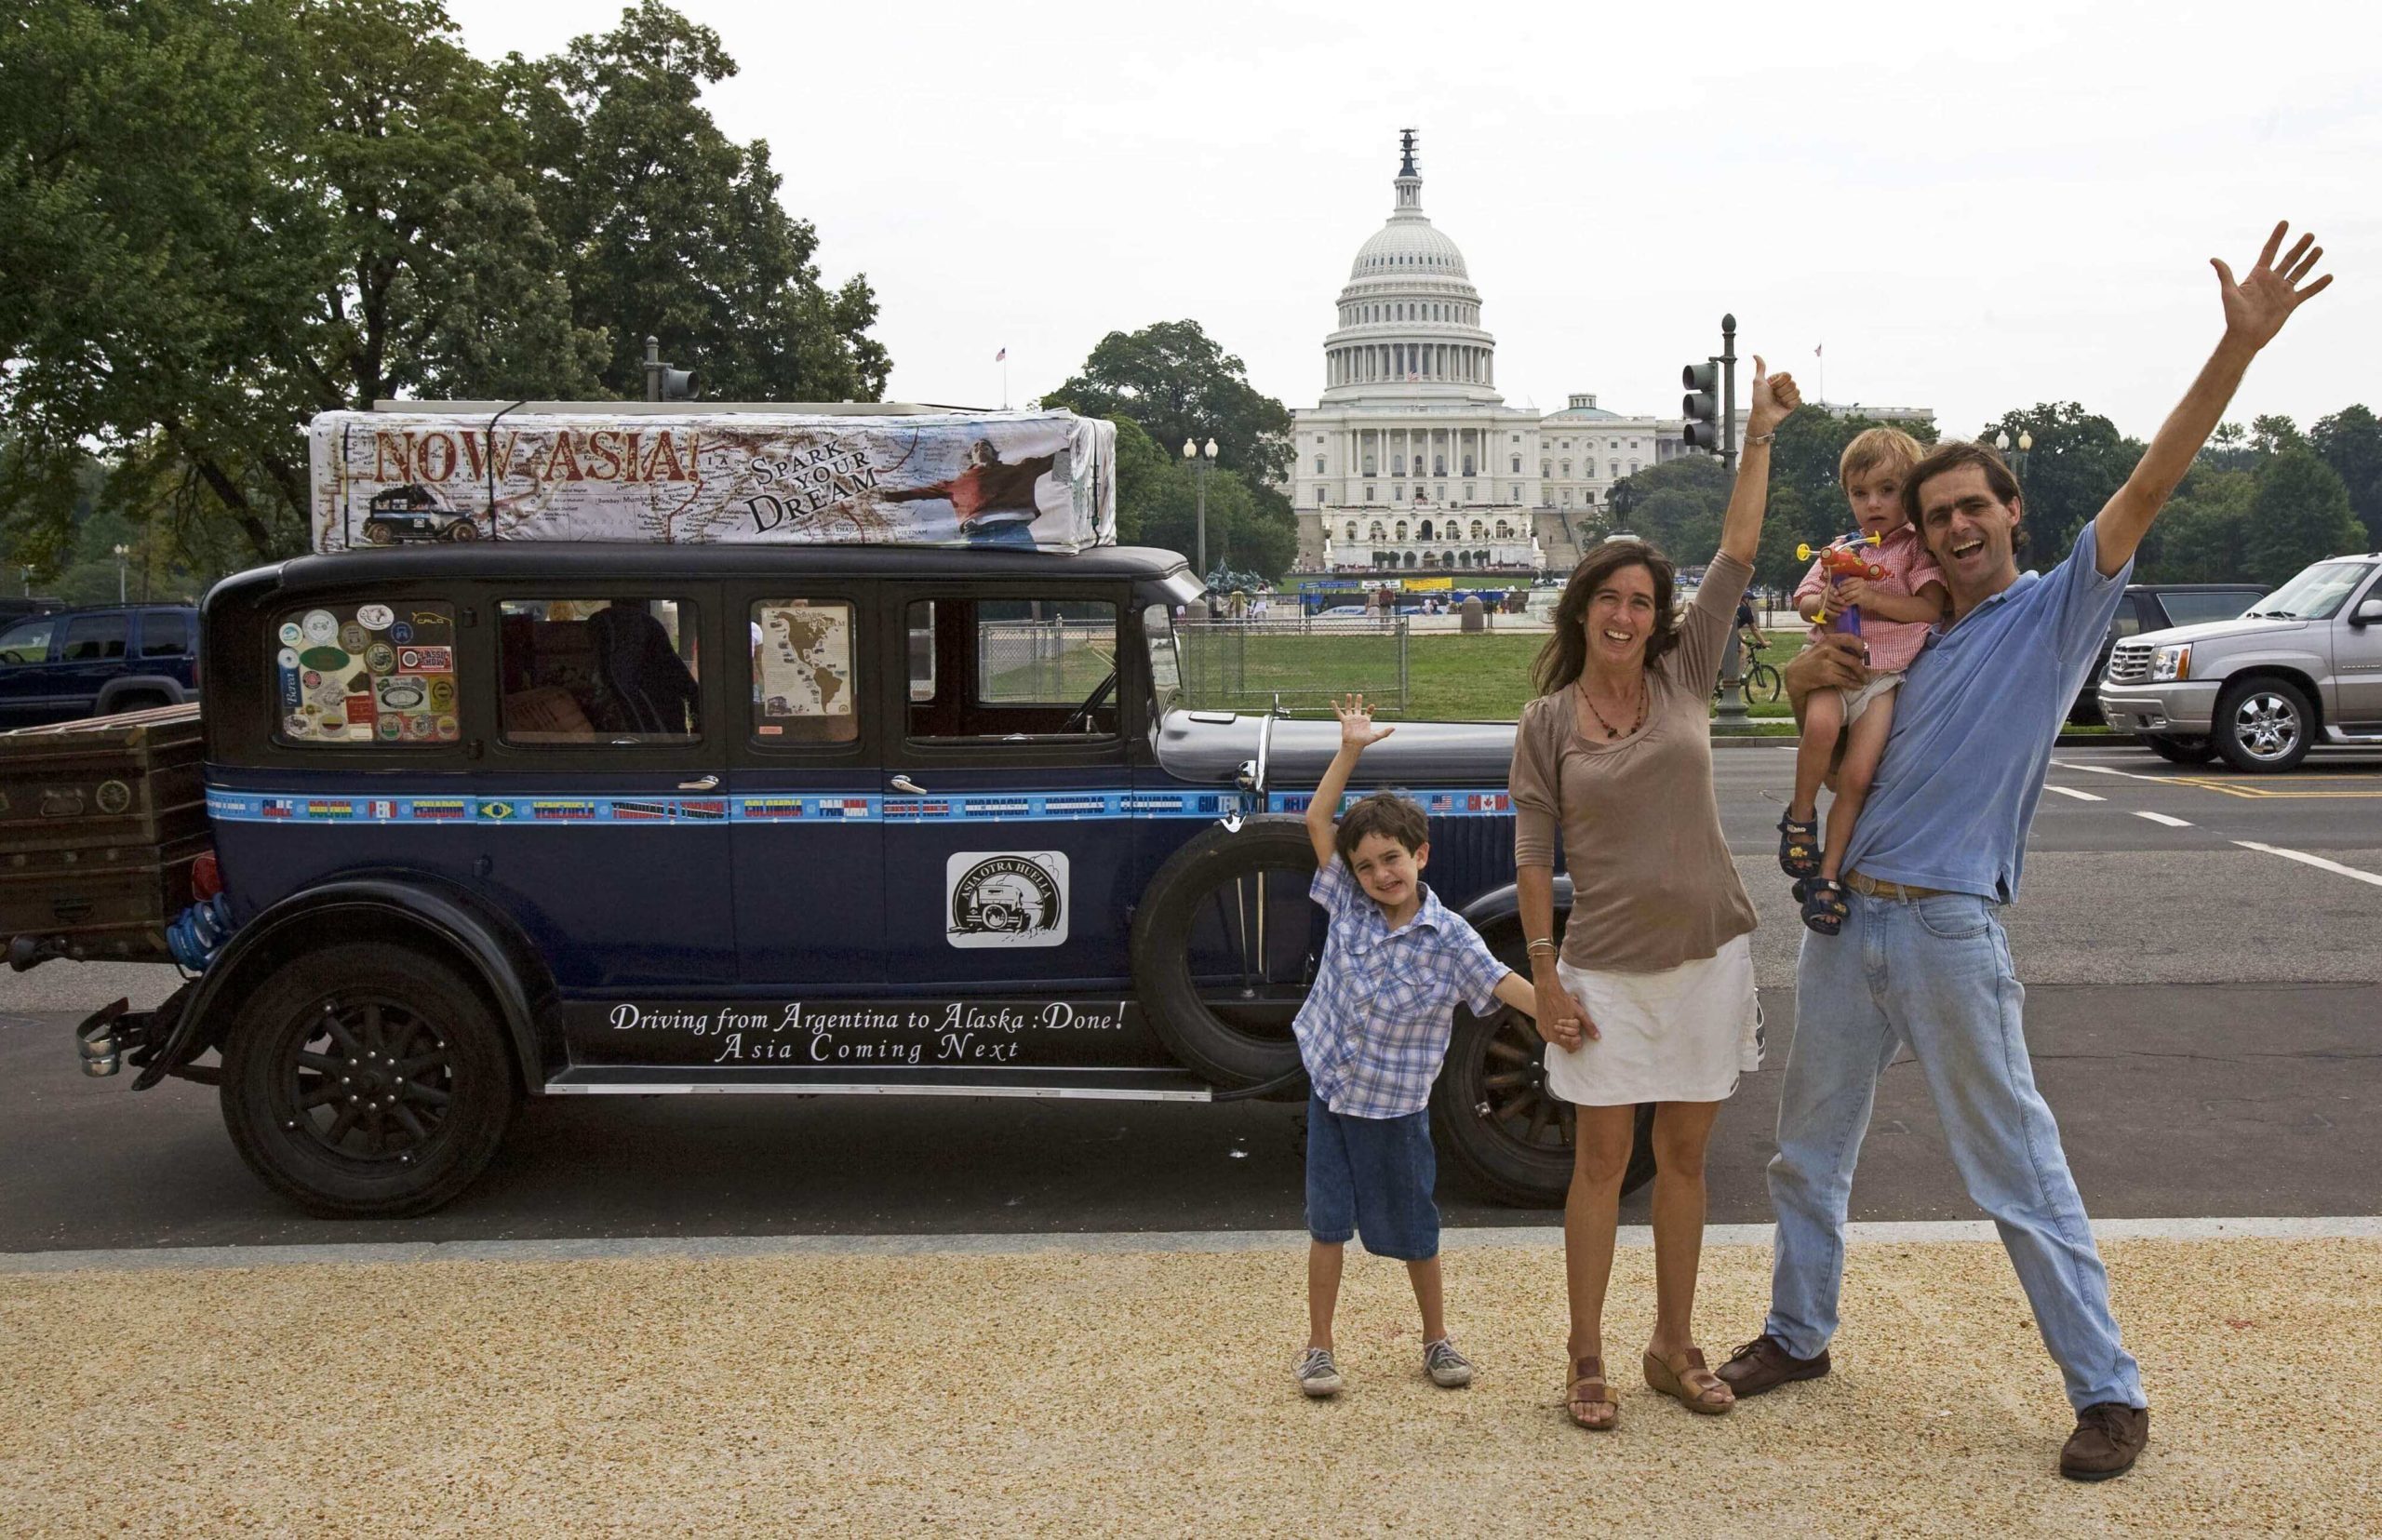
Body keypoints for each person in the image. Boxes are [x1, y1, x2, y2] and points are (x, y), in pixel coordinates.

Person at [1721, 224, 2330, 1482]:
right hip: (1846, 918)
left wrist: (2236, 345)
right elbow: (1832, 720)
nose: (1949, 529)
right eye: (1933, 514)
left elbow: (2152, 482)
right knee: (1804, 1149)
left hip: (1948, 924)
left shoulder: (2054, 613)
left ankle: (2108, 1388)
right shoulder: (1912, 626)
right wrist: (1804, 676)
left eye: (1969, 508)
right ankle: (1799, 1328)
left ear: (2013, 512)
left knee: (2014, 1167)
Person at [1509, 358, 1802, 1430]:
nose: (1627, 615)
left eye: (1642, 601)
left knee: (1682, 1160)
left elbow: (1736, 552)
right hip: (1603, 967)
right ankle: (1583, 1350)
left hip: (1708, 951)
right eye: (1610, 598)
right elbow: (1532, 855)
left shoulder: (1685, 673)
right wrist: (1542, 976)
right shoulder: (1545, 723)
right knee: (1599, 1165)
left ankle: (1670, 1342)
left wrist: (1757, 433)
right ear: (1582, 606)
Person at [1292, 693, 1540, 1399]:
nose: (1380, 875)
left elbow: (1503, 982)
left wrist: (1559, 1012)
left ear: (1420, 854)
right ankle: (1318, 1347)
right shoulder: (1347, 900)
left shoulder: (1451, 938)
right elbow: (1317, 820)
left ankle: (1436, 1337)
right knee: (1327, 1220)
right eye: (1367, 865)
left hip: (1397, 1107)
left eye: (1391, 859)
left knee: (1415, 1224)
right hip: (1333, 1089)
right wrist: (1351, 749)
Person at [1776, 428, 1949, 933]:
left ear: (1910, 492)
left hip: (1883, 678)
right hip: (1833, 662)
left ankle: (1827, 878)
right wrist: (1823, 603)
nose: (1872, 504)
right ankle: (1800, 819)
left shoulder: (1914, 552)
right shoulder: (1839, 549)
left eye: (1888, 490)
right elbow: (1804, 598)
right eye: (1860, 493)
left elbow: (1928, 607)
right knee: (1821, 730)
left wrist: (1870, 599)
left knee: (1856, 779)